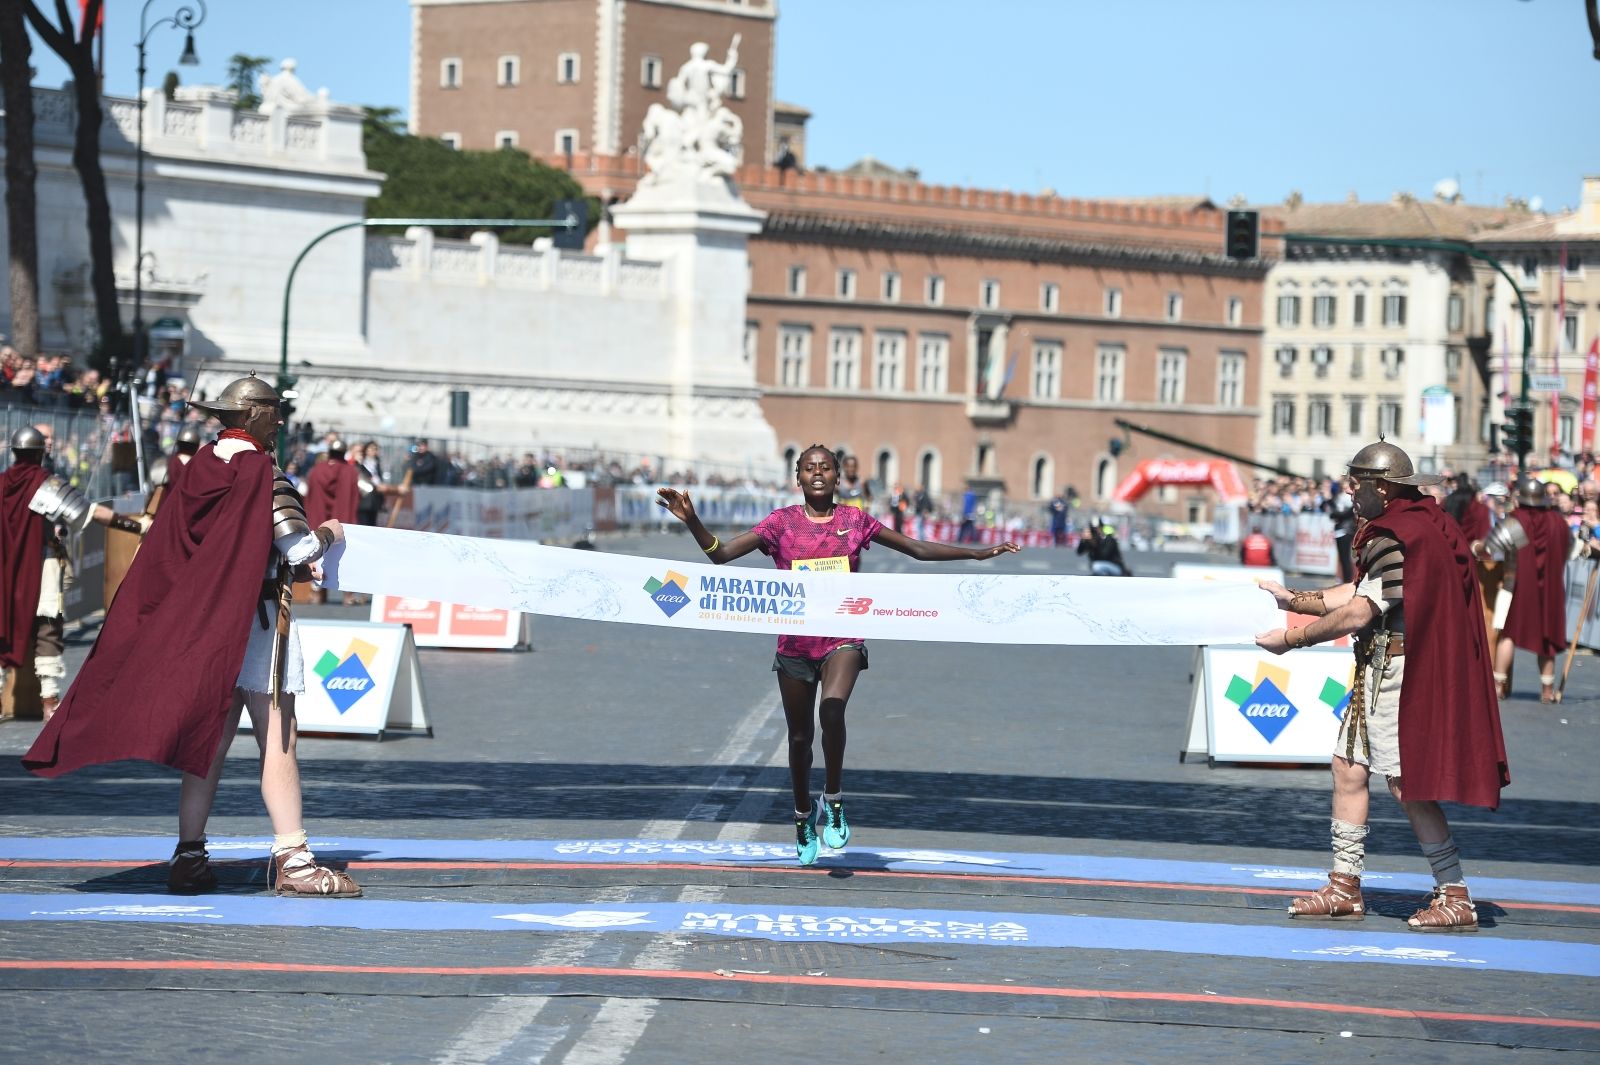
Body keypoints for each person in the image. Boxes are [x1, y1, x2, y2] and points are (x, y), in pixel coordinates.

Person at [23, 374, 360, 899]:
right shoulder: (260, 473)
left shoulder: (198, 468)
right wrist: (331, 532)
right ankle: (294, 860)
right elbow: (298, 552)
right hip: (254, 625)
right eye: (274, 413)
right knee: (278, 739)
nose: (279, 424)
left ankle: (189, 855)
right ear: (255, 417)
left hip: (205, 629)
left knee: (210, 739)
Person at [655, 444, 1019, 866]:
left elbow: (914, 548)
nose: (817, 474)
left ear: (837, 476)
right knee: (799, 739)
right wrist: (693, 521)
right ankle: (802, 815)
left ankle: (835, 798)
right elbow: (720, 554)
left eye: (825, 467)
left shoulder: (854, 520)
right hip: (794, 645)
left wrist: (975, 554)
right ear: (797, 478)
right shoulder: (781, 523)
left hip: (842, 638)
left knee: (832, 711)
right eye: (808, 468)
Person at [1255, 441, 1507, 932]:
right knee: (1348, 768)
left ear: (1383, 487)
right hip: (1378, 667)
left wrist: (1292, 639)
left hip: (1399, 672)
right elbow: (1359, 591)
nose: (1350, 491)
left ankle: (1454, 892)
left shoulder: (1398, 534)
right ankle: (1344, 887)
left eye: (1357, 483)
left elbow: (1361, 610)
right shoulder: (1415, 526)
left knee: (1405, 783)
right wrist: (1295, 599)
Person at [1, 427, 149, 721]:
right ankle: (49, 703)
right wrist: (136, 526)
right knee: (47, 630)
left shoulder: (2, 483)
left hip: (4, 568)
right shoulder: (44, 484)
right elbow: (90, 512)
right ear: (40, 453)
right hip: (41, 566)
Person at [1481, 475, 1571, 703]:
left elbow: (1489, 548)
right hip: (1549, 589)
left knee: (1509, 633)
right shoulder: (1557, 522)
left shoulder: (1516, 521)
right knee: (1547, 638)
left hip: (1517, 587)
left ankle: (1498, 685)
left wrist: (1474, 546)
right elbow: (1568, 549)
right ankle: (1547, 690)